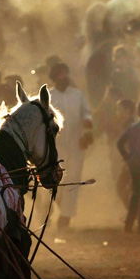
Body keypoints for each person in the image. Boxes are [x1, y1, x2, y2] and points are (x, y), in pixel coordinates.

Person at [49, 62, 93, 230]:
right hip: (55, 146)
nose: (64, 77)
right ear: (54, 77)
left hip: (76, 144)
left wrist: (88, 125)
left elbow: (86, 113)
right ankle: (59, 207)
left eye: (65, 73)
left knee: (73, 179)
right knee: (56, 180)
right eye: (60, 74)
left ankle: (65, 217)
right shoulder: (48, 96)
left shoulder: (77, 95)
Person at [116, 101, 140, 233]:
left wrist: (127, 156)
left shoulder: (132, 127)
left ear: (138, 112)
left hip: (133, 163)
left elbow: (119, 143)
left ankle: (129, 224)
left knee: (135, 192)